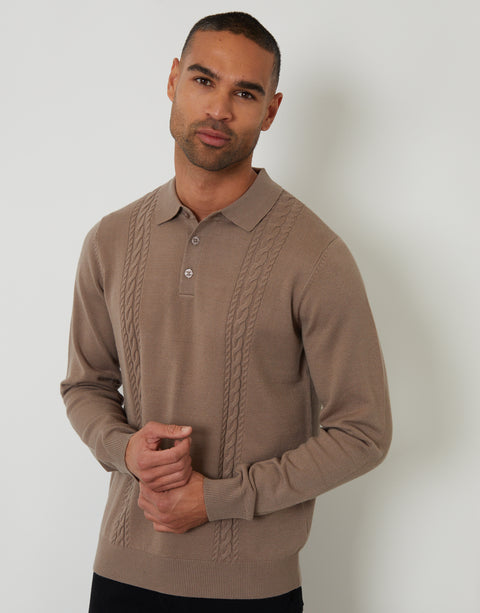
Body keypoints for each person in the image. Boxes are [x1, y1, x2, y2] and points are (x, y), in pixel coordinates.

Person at [61, 11, 392, 612]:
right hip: (122, 573)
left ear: (271, 110)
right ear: (173, 80)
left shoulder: (316, 256)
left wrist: (218, 499)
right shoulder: (110, 239)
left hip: (252, 589)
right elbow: (85, 386)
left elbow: (363, 432)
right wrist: (124, 449)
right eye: (203, 80)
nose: (218, 109)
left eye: (245, 93)